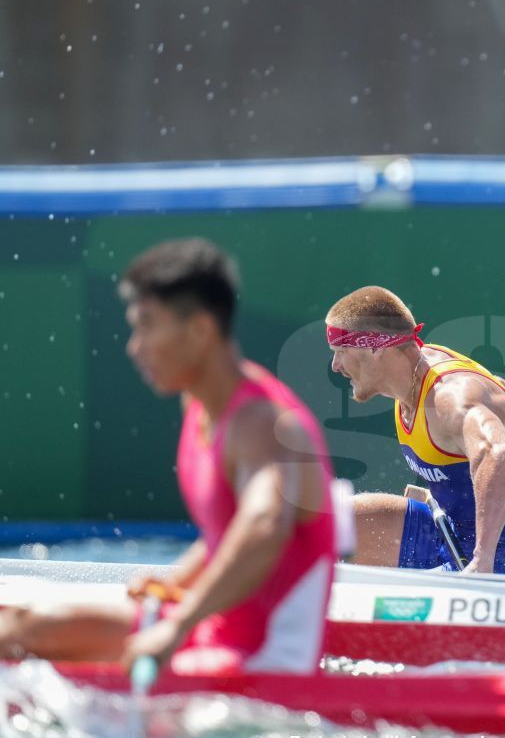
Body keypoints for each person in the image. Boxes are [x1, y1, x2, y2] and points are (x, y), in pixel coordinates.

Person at [0, 238, 337, 675]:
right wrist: (176, 581)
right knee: (20, 627)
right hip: (208, 630)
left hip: (260, 659)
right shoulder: (199, 405)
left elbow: (264, 527)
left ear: (199, 330)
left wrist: (178, 623)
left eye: (146, 326)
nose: (134, 347)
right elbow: (227, 532)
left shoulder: (262, 423)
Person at [325, 286, 505, 575]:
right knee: (335, 523)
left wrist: (482, 559)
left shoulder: (447, 397)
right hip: (449, 533)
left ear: (375, 348)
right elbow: (500, 388)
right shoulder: (417, 368)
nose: (335, 365)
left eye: (341, 351)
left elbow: (497, 453)